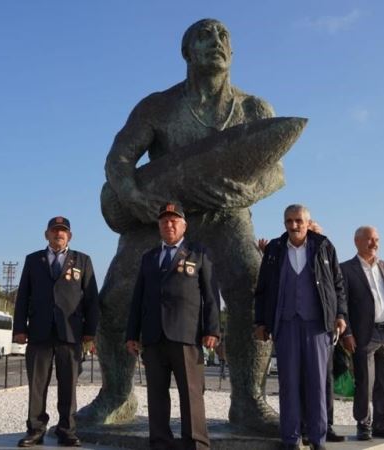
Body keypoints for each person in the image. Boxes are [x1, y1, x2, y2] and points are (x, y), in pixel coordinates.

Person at [87, 18, 288, 430]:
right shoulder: (158, 106)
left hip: (224, 213)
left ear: (232, 53)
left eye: (223, 36)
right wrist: (133, 196)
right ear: (187, 52)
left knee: (251, 285)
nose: (216, 42)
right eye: (204, 35)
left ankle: (248, 401)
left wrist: (243, 195)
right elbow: (119, 158)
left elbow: (276, 172)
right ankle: (117, 396)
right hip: (160, 216)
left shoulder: (254, 109)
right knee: (113, 300)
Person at [125, 202, 220, 450]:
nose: (169, 224)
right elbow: (138, 298)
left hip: (186, 335)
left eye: (174, 220)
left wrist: (212, 330)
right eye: (165, 220)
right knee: (156, 395)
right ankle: (160, 442)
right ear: (159, 226)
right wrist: (132, 334)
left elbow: (210, 295)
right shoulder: (149, 258)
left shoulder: (198, 253)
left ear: (184, 225)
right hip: (154, 337)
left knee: (191, 395)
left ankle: (196, 443)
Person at [254, 204, 347, 449]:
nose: (294, 226)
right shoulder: (274, 249)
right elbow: (262, 289)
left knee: (317, 383)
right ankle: (291, 438)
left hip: (317, 325)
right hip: (285, 325)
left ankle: (318, 439)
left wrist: (340, 314)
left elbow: (338, 284)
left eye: (298, 221)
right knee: (288, 383)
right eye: (289, 221)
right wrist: (261, 322)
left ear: (308, 222)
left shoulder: (324, 246)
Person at [13, 216, 99, 447]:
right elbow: (23, 297)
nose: (58, 234)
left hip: (70, 334)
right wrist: (19, 328)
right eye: (54, 231)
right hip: (39, 332)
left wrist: (91, 332)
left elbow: (91, 299)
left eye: (63, 231)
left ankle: (67, 430)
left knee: (68, 384)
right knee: (37, 384)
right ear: (47, 234)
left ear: (69, 236)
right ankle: (35, 429)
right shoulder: (33, 260)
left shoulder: (83, 260)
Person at [341, 226, 384, 441]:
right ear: (357, 241)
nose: (375, 243)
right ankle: (364, 426)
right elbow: (342, 304)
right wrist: (347, 334)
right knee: (365, 381)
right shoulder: (345, 269)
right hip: (364, 334)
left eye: (377, 239)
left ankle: (381, 424)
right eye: (370, 239)